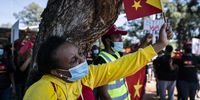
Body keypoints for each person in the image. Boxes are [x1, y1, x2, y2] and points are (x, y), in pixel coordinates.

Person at [23, 23, 172, 100]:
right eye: (74, 60)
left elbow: (124, 65)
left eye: (80, 54)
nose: (82, 60)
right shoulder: (41, 90)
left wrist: (160, 44)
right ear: (57, 72)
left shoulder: (86, 77)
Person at [93, 25, 129, 100]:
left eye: (121, 37)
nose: (121, 40)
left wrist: (146, 42)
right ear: (108, 41)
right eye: (117, 37)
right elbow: (103, 93)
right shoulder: (101, 61)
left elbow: (134, 55)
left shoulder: (118, 54)